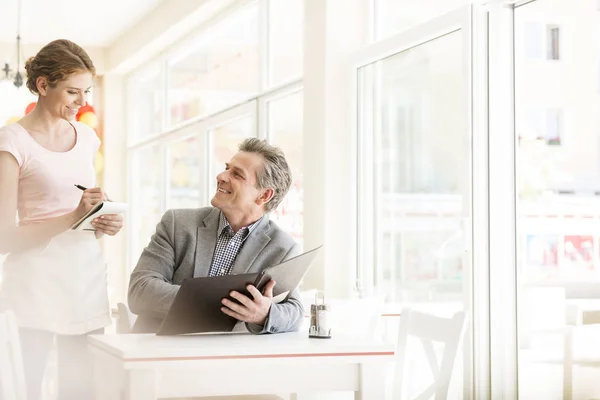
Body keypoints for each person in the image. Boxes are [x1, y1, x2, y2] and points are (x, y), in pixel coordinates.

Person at [0, 39, 124, 400]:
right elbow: (4, 238)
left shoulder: (87, 138)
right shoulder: (12, 142)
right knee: (27, 390)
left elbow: (83, 210)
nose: (82, 101)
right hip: (33, 287)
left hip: (84, 282)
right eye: (72, 91)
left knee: (82, 391)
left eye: (86, 91)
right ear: (42, 85)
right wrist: (74, 216)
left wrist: (102, 221)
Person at [128, 138, 303, 334]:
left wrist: (265, 314)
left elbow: (295, 312)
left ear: (263, 196)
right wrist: (215, 301)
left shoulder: (284, 249)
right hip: (158, 352)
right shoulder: (177, 224)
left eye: (237, 174)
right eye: (227, 168)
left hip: (227, 359)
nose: (221, 176)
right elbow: (139, 291)